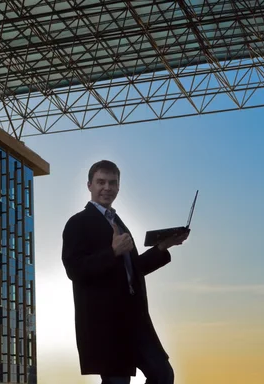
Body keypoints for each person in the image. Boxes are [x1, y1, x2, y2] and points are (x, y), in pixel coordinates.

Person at [62, 160, 189, 384]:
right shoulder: (77, 223)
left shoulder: (119, 223)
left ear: (119, 187)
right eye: (101, 182)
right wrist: (112, 252)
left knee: (163, 374)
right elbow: (75, 270)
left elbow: (133, 271)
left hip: (136, 320)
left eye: (112, 183)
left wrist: (163, 246)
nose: (107, 188)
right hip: (107, 325)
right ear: (89, 185)